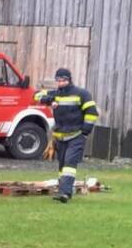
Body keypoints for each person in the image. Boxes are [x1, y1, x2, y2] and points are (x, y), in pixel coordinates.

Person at [35, 68, 98, 203]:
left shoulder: (82, 94)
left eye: (63, 80)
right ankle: (62, 189)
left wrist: (85, 131)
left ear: (69, 80)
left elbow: (92, 113)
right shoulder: (55, 94)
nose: (60, 83)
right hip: (60, 137)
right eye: (58, 80)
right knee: (62, 165)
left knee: (70, 163)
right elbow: (36, 95)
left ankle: (65, 193)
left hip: (76, 136)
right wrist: (49, 99)